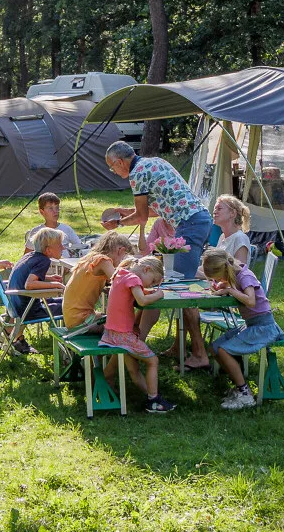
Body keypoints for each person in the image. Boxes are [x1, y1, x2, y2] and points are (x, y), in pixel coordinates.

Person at [103, 139, 213, 369]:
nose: (113, 171)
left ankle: (200, 354)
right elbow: (159, 208)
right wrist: (126, 212)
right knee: (179, 284)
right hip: (197, 220)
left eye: (112, 167)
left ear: (120, 162)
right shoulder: (153, 163)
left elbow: (141, 217)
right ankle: (179, 346)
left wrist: (118, 223)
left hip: (190, 225)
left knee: (183, 291)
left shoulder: (137, 173)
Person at [201, 246, 284, 410]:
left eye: (217, 277)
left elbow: (251, 301)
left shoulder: (245, 276)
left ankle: (245, 393)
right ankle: (238, 385)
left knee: (224, 350)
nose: (217, 280)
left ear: (224, 268)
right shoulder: (235, 274)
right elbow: (231, 288)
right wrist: (222, 287)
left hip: (263, 326)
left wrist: (230, 290)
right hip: (251, 324)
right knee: (215, 348)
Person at [99, 255, 175, 413]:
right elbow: (141, 301)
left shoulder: (121, 274)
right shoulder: (133, 278)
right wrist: (158, 294)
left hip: (111, 334)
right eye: (153, 280)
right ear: (146, 269)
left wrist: (148, 290)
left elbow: (135, 291)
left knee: (134, 368)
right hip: (123, 336)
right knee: (153, 361)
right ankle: (153, 400)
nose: (152, 284)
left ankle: (153, 396)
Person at [62, 231, 137, 334]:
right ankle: (128, 347)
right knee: (122, 326)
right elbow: (120, 282)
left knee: (108, 318)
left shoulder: (91, 257)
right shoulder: (103, 261)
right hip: (80, 321)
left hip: (73, 318)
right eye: (123, 258)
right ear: (120, 250)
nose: (121, 262)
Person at [5, 226, 66, 352]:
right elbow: (29, 284)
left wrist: (48, 278)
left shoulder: (30, 255)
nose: (63, 248)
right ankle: (69, 344)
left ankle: (15, 338)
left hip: (16, 305)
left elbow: (27, 275)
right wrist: (55, 285)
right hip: (29, 310)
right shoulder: (44, 261)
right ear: (48, 250)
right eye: (60, 245)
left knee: (66, 300)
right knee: (70, 306)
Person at [26, 192, 84, 256]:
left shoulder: (66, 229)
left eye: (57, 207)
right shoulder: (36, 232)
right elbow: (27, 256)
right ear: (42, 212)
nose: (55, 211)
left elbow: (80, 247)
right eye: (50, 208)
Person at [211, 194, 253, 268]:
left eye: (219, 208)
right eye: (215, 208)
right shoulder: (223, 237)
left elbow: (239, 272)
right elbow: (212, 266)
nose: (214, 212)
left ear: (232, 213)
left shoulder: (240, 238)